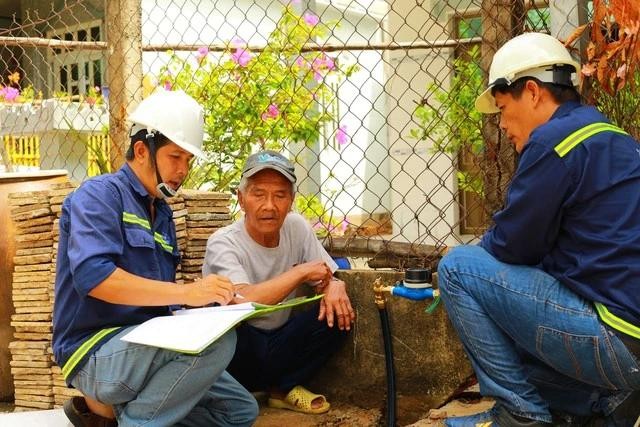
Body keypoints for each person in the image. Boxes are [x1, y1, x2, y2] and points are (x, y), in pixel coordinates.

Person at [437, 32, 640, 426]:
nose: (502, 126)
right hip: (629, 340)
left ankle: (520, 415)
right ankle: (602, 404)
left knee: (459, 269)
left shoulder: (553, 140)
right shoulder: (614, 137)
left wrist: (476, 251)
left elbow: (513, 245)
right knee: (527, 339)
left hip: (615, 340)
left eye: (501, 108)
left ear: (531, 92)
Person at [52, 90, 259, 427]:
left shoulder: (161, 215)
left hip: (145, 347)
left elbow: (156, 300)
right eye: (175, 157)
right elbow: (94, 277)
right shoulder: (99, 194)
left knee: (238, 412)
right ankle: (132, 419)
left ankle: (109, 416)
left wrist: (207, 305)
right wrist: (186, 292)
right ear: (140, 150)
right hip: (95, 353)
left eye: (189, 160)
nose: (183, 169)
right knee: (220, 344)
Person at [203, 150, 355, 415]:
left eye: (280, 195)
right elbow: (243, 300)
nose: (269, 206)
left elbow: (326, 274)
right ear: (241, 199)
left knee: (338, 315)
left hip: (279, 340)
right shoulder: (223, 241)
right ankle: (254, 387)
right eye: (258, 194)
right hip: (237, 344)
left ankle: (280, 389)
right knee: (232, 332)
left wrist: (335, 285)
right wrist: (298, 274)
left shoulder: (296, 227)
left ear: (292, 201)